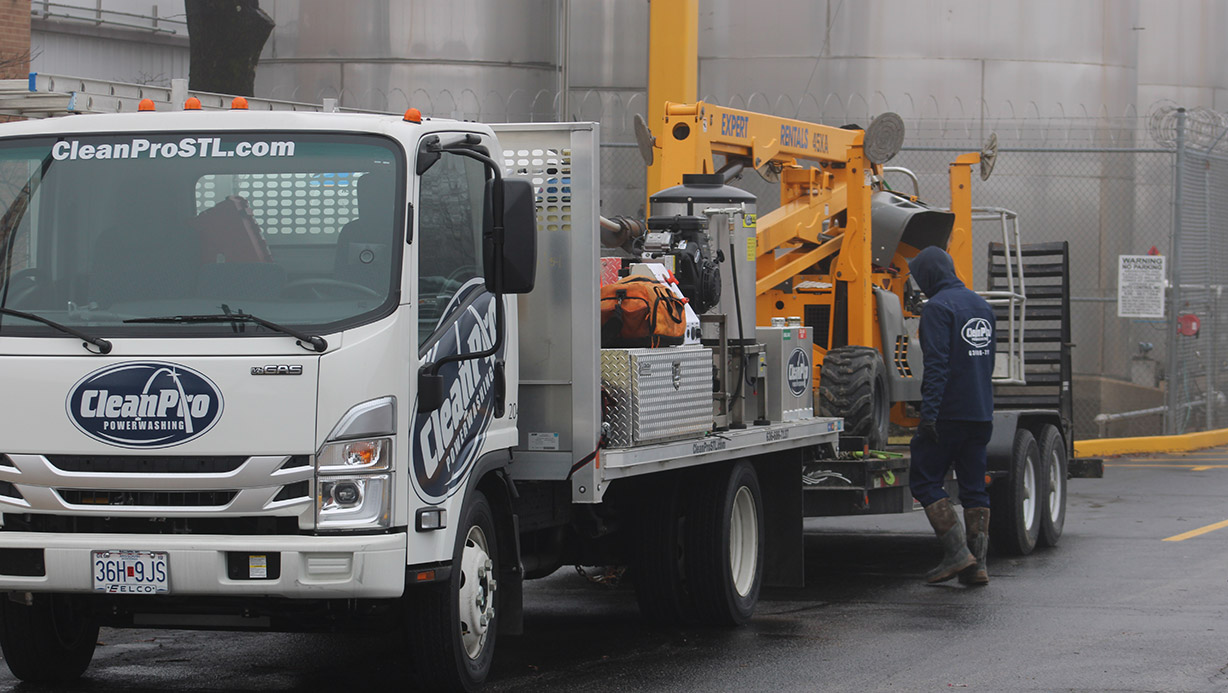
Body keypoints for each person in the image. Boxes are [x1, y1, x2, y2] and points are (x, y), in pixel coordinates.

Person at [907, 246, 995, 586]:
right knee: (974, 488)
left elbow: (937, 365)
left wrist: (929, 414)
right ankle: (977, 566)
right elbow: (987, 362)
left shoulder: (938, 308)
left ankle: (957, 553)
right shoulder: (982, 306)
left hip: (948, 412)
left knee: (925, 478)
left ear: (929, 275)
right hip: (981, 411)